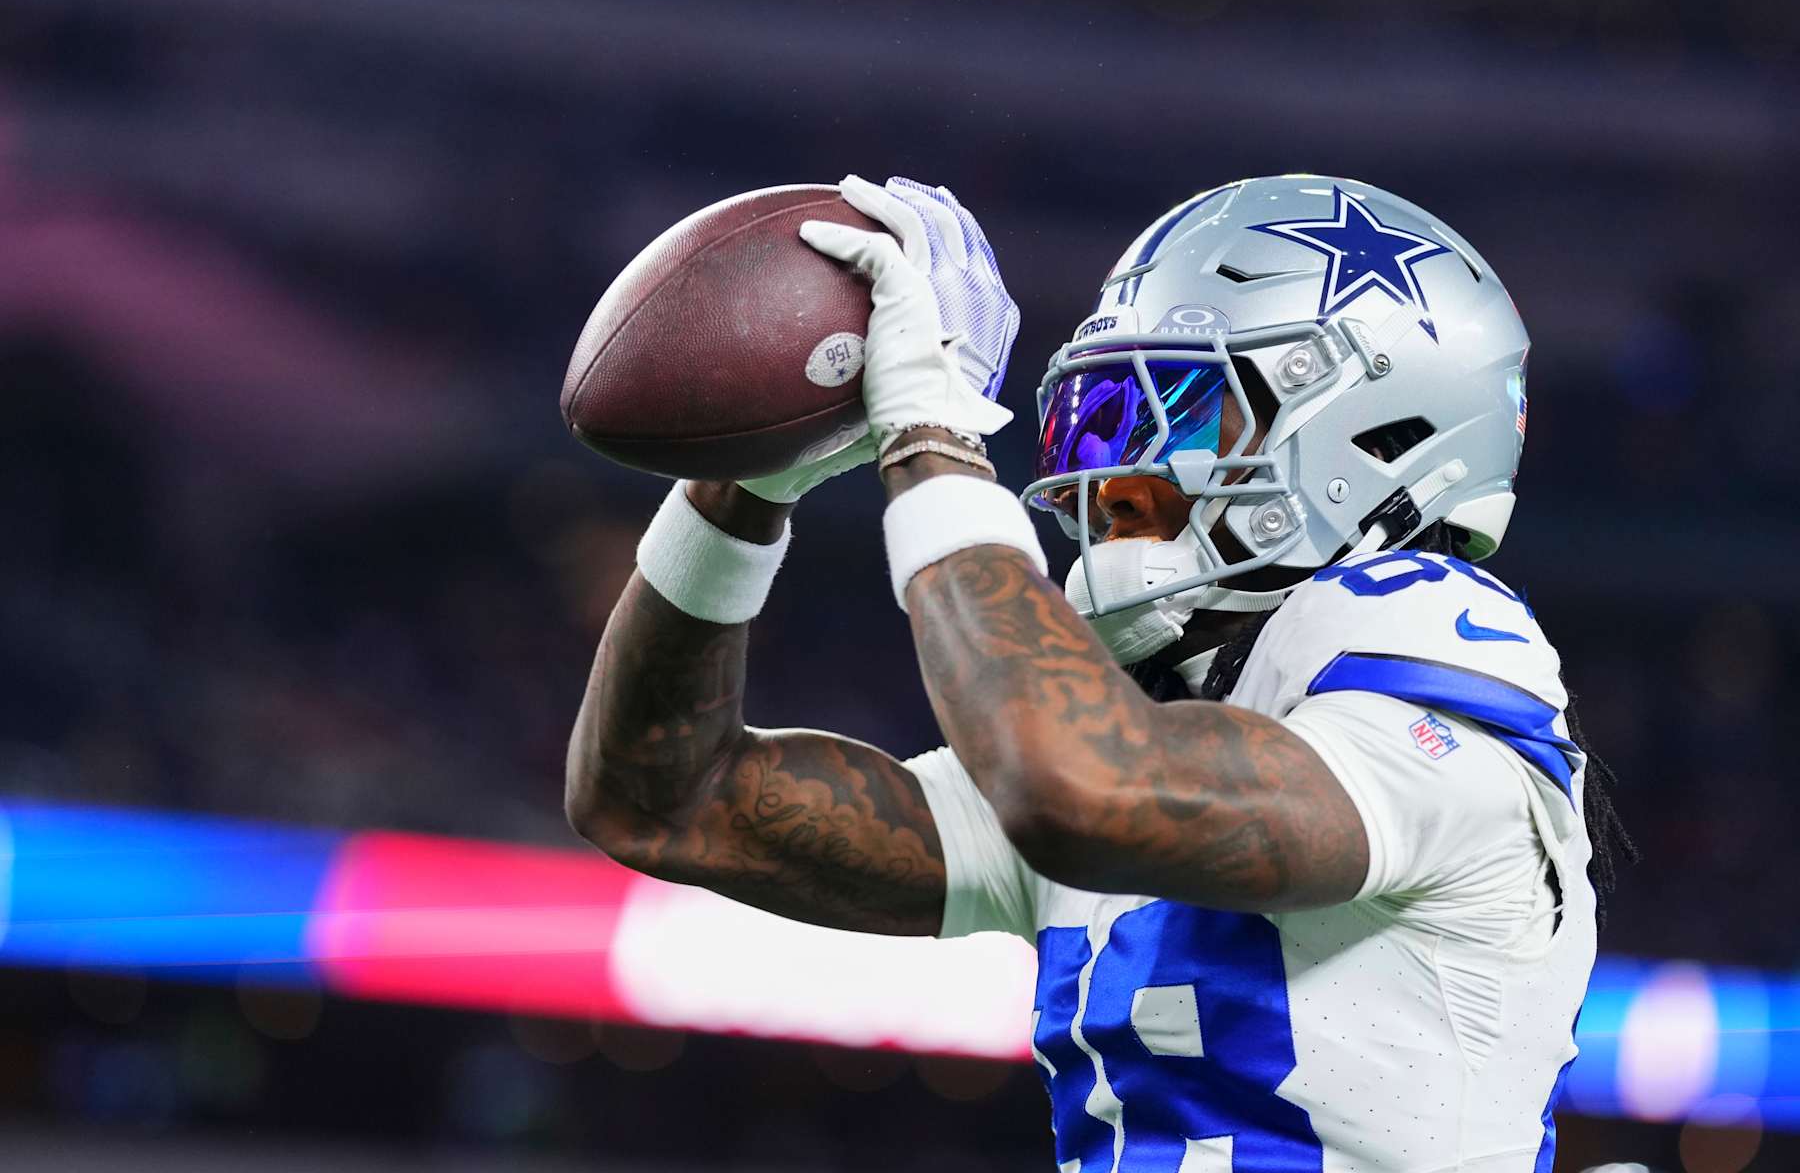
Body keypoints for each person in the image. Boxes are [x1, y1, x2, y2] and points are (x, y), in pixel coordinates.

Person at [566, 174, 1633, 1171]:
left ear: (1379, 429)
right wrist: (747, 483)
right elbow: (667, 801)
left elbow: (1083, 790)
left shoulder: (1433, 653)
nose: (1114, 473)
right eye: (1103, 415)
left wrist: (930, 438)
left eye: (1184, 410)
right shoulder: (1146, 729)